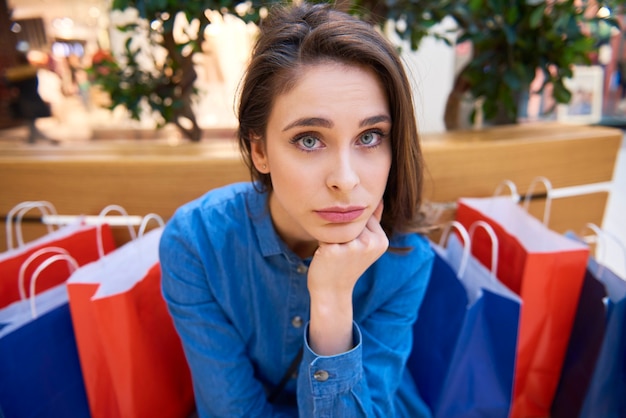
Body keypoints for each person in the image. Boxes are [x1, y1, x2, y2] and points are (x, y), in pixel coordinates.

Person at [159, 3, 434, 416]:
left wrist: (332, 301)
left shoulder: (405, 259)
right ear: (259, 150)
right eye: (309, 139)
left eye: (370, 136)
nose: (345, 179)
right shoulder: (198, 244)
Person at [5, 52, 55, 144]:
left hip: (25, 100)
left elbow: (11, 85)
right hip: (33, 98)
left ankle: (34, 139)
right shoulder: (32, 72)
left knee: (30, 121)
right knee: (31, 122)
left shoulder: (19, 74)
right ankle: (34, 139)